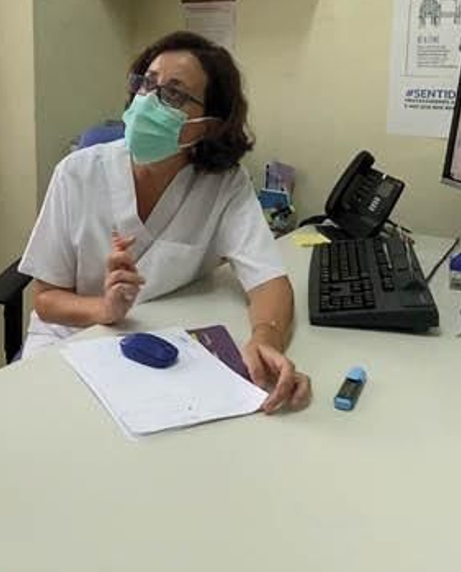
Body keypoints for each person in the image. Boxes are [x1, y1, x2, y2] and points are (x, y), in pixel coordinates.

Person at [18, 32, 313, 412]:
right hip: (70, 340)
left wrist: (266, 339)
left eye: (173, 94)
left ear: (207, 125)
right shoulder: (78, 174)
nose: (148, 102)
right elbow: (45, 300)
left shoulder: (223, 184)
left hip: (160, 343)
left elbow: (268, 281)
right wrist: (104, 309)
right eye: (147, 83)